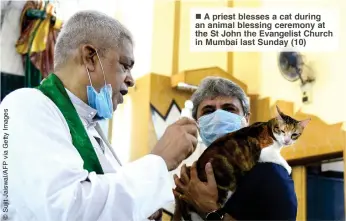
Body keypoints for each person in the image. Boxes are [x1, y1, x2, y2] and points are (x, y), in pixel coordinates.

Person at [0, 10, 198, 221]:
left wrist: (139, 210)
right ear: (90, 57)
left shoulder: (90, 126)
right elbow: (66, 211)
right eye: (125, 65)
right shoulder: (26, 106)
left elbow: (104, 202)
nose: (131, 80)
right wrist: (158, 161)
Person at [173, 77, 297, 220]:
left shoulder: (270, 172)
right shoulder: (195, 178)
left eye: (229, 109)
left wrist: (210, 210)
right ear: (198, 123)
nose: (218, 117)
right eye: (208, 111)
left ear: (246, 119)